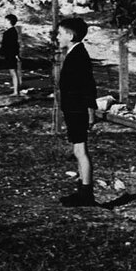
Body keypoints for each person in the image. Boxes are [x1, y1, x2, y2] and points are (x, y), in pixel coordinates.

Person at [57, 17, 99, 207]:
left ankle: (87, 194)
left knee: (81, 151)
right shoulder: (74, 53)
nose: (57, 37)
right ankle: (82, 190)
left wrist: (90, 110)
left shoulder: (79, 55)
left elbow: (88, 85)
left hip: (78, 109)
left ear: (70, 35)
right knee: (77, 149)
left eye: (60, 33)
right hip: (73, 108)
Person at [0, 13, 22, 96]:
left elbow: (13, 44)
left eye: (5, 20)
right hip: (10, 54)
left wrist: (15, 54)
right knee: (12, 72)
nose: (4, 22)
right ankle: (16, 90)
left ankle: (16, 91)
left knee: (13, 72)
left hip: (11, 54)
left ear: (9, 21)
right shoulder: (12, 31)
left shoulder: (11, 32)